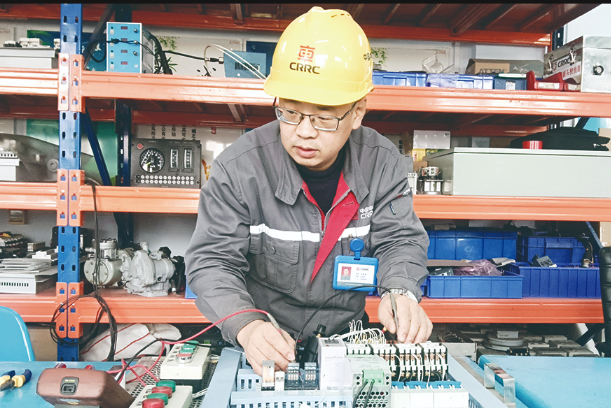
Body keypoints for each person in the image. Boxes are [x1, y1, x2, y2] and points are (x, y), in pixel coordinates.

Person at [185, 6, 431, 376]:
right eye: (290, 111)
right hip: (262, 345)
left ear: (358, 112)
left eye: (323, 117)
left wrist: (401, 291)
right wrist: (247, 326)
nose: (303, 131)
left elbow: (400, 240)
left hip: (346, 345)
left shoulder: (382, 164)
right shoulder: (238, 169)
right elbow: (212, 261)